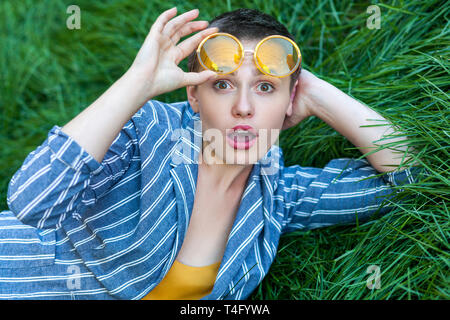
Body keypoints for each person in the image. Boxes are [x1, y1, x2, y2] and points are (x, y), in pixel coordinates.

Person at [0, 7, 426, 300]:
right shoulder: (147, 133)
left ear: (289, 101)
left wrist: (318, 93)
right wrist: (136, 84)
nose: (244, 106)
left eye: (265, 87)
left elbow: (412, 178)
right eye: (222, 84)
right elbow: (29, 202)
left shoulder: (276, 197)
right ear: (194, 95)